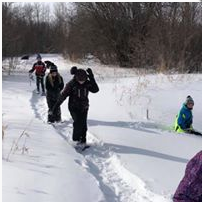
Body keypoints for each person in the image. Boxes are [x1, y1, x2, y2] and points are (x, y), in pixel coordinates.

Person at [50, 66, 99, 145]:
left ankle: (83, 140)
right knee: (77, 123)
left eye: (83, 80)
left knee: (83, 124)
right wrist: (55, 108)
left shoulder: (87, 82)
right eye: (80, 80)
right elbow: (62, 96)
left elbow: (96, 90)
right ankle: (75, 141)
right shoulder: (71, 84)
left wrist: (91, 77)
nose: (81, 82)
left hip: (84, 107)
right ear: (76, 77)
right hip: (74, 107)